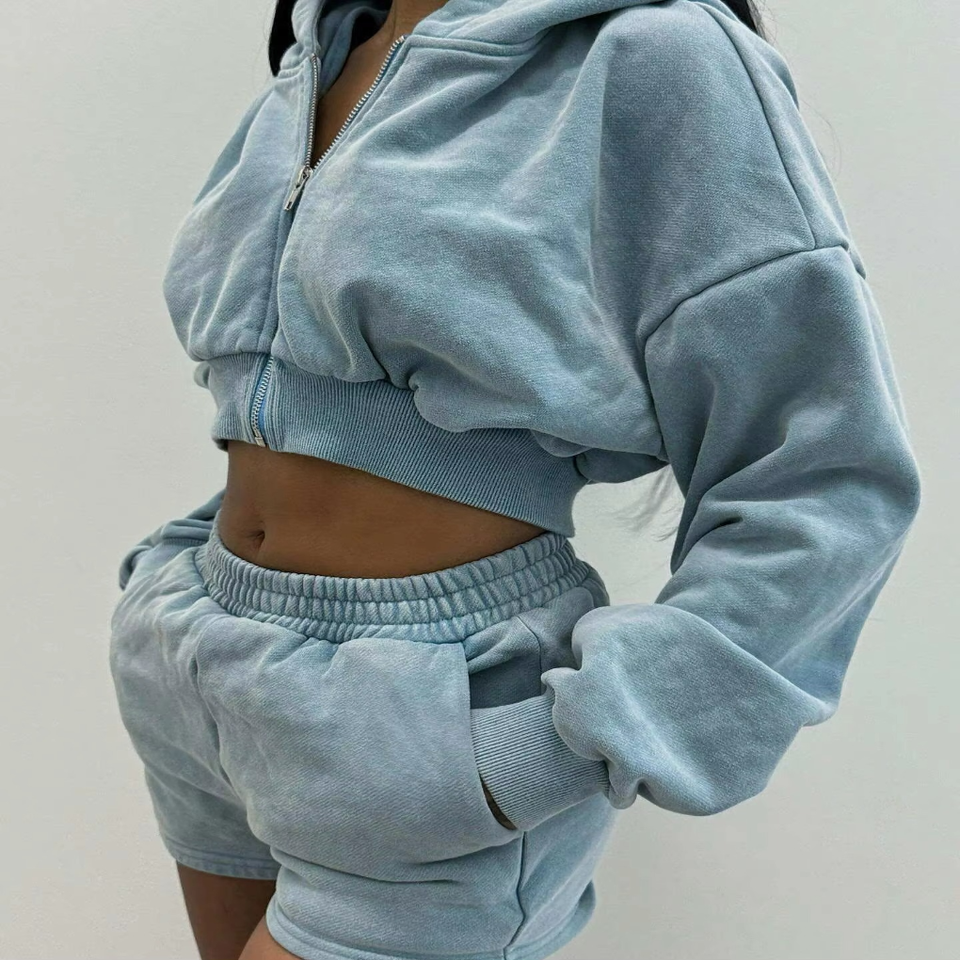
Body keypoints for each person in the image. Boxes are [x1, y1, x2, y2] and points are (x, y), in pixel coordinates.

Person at [107, 0, 923, 958]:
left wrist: (558, 749)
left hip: (427, 712)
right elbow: (276, 390)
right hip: (200, 657)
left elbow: (826, 474)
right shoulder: (326, 48)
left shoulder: (656, 52)